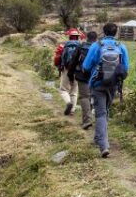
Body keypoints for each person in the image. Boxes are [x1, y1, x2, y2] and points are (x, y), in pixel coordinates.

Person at [81, 22, 129, 158]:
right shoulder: (121, 47)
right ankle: (98, 138)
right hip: (113, 84)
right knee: (105, 111)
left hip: (97, 84)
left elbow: (86, 65)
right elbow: (125, 67)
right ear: (115, 33)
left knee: (101, 113)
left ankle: (103, 145)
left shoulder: (97, 46)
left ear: (104, 32)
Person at [54, 28, 84, 116]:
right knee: (74, 92)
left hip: (66, 70)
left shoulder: (63, 46)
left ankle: (68, 103)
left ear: (70, 37)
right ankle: (72, 111)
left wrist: (59, 67)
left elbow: (57, 59)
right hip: (77, 71)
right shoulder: (81, 46)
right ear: (77, 37)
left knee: (63, 89)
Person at [72, 30, 97, 129]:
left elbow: (73, 61)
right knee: (92, 97)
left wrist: (71, 74)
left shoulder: (81, 46)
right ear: (96, 39)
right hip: (96, 76)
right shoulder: (98, 48)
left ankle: (87, 120)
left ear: (87, 37)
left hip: (82, 76)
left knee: (84, 97)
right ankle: (93, 119)